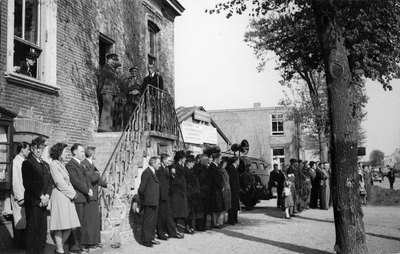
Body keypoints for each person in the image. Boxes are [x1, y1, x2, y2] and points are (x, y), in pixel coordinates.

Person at [22, 137, 52, 254]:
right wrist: (41, 196)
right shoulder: (27, 163)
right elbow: (28, 183)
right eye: (35, 148)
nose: (38, 151)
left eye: (40, 148)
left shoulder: (45, 164)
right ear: (31, 149)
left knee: (42, 232)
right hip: (34, 202)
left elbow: (49, 182)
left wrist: (47, 196)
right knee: (32, 233)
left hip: (44, 203)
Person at [48, 143, 81, 254]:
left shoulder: (60, 164)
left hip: (66, 197)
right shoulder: (53, 164)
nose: (66, 153)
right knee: (59, 225)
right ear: (59, 152)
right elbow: (59, 182)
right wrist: (73, 193)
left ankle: (59, 248)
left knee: (69, 225)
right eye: (64, 151)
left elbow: (67, 181)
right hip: (59, 197)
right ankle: (60, 250)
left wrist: (72, 193)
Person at [81, 147, 113, 250]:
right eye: (96, 153)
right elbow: (92, 178)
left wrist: (107, 185)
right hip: (89, 196)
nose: (96, 155)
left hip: (94, 196)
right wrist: (97, 175)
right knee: (89, 221)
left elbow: (97, 178)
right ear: (93, 154)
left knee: (94, 220)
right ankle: (87, 242)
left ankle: (93, 241)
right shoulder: (84, 164)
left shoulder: (90, 164)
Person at [66, 144, 93, 254]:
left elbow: (87, 179)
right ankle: (75, 246)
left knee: (83, 223)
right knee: (77, 223)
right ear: (74, 152)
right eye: (81, 151)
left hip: (84, 197)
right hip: (78, 197)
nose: (83, 153)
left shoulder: (81, 165)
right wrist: (87, 190)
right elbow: (75, 181)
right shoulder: (70, 165)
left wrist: (89, 189)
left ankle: (81, 244)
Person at [155, 154, 183, 240]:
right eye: (168, 160)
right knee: (161, 216)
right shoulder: (159, 169)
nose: (169, 162)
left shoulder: (167, 168)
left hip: (166, 194)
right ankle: (161, 233)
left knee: (168, 214)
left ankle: (172, 232)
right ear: (163, 160)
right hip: (161, 195)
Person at [138, 156, 161, 248]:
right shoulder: (147, 173)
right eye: (158, 163)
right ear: (153, 163)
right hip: (149, 202)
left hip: (154, 201)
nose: (159, 165)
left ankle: (151, 238)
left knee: (153, 221)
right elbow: (141, 189)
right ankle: (145, 240)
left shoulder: (153, 172)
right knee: (148, 221)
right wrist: (145, 200)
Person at [11, 142, 30, 248]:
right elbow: (15, 181)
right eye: (27, 149)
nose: (29, 151)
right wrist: (20, 197)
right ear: (22, 150)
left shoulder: (24, 162)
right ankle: (19, 245)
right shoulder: (16, 162)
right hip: (20, 196)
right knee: (20, 221)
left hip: (26, 195)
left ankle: (23, 243)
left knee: (24, 220)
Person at [98, 53, 120, 132]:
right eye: (113, 60)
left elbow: (119, 64)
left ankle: (109, 127)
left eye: (115, 60)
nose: (115, 62)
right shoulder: (105, 67)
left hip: (112, 92)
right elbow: (101, 80)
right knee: (106, 109)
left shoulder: (112, 69)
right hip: (106, 91)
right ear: (109, 60)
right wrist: (99, 91)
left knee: (111, 109)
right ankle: (103, 127)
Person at [183, 156, 203, 234]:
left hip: (194, 193)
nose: (193, 164)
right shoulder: (185, 171)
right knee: (189, 212)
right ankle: (187, 227)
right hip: (189, 193)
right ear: (188, 163)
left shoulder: (191, 170)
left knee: (192, 212)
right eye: (192, 163)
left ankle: (191, 226)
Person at [193, 154, 211, 231]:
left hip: (206, 191)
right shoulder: (197, 167)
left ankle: (203, 225)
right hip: (201, 191)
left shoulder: (206, 167)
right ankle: (199, 225)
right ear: (202, 160)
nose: (207, 161)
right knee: (201, 209)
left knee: (205, 209)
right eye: (206, 160)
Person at [209, 153, 225, 228]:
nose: (221, 160)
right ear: (216, 158)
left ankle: (217, 222)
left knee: (218, 206)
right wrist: (221, 186)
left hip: (217, 189)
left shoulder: (216, 167)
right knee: (215, 206)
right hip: (215, 190)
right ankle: (214, 223)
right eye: (220, 158)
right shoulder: (212, 167)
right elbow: (214, 178)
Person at [226, 157, 240, 225]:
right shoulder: (231, 168)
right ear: (235, 161)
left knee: (236, 204)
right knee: (232, 204)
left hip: (235, 189)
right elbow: (230, 178)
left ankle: (235, 218)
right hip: (232, 188)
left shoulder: (235, 168)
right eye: (238, 160)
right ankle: (231, 219)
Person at [219, 159, 231, 226]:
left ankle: (223, 220)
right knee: (223, 206)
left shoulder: (224, 171)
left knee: (225, 207)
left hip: (227, 188)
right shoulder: (222, 171)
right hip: (224, 189)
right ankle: (220, 221)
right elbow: (223, 181)